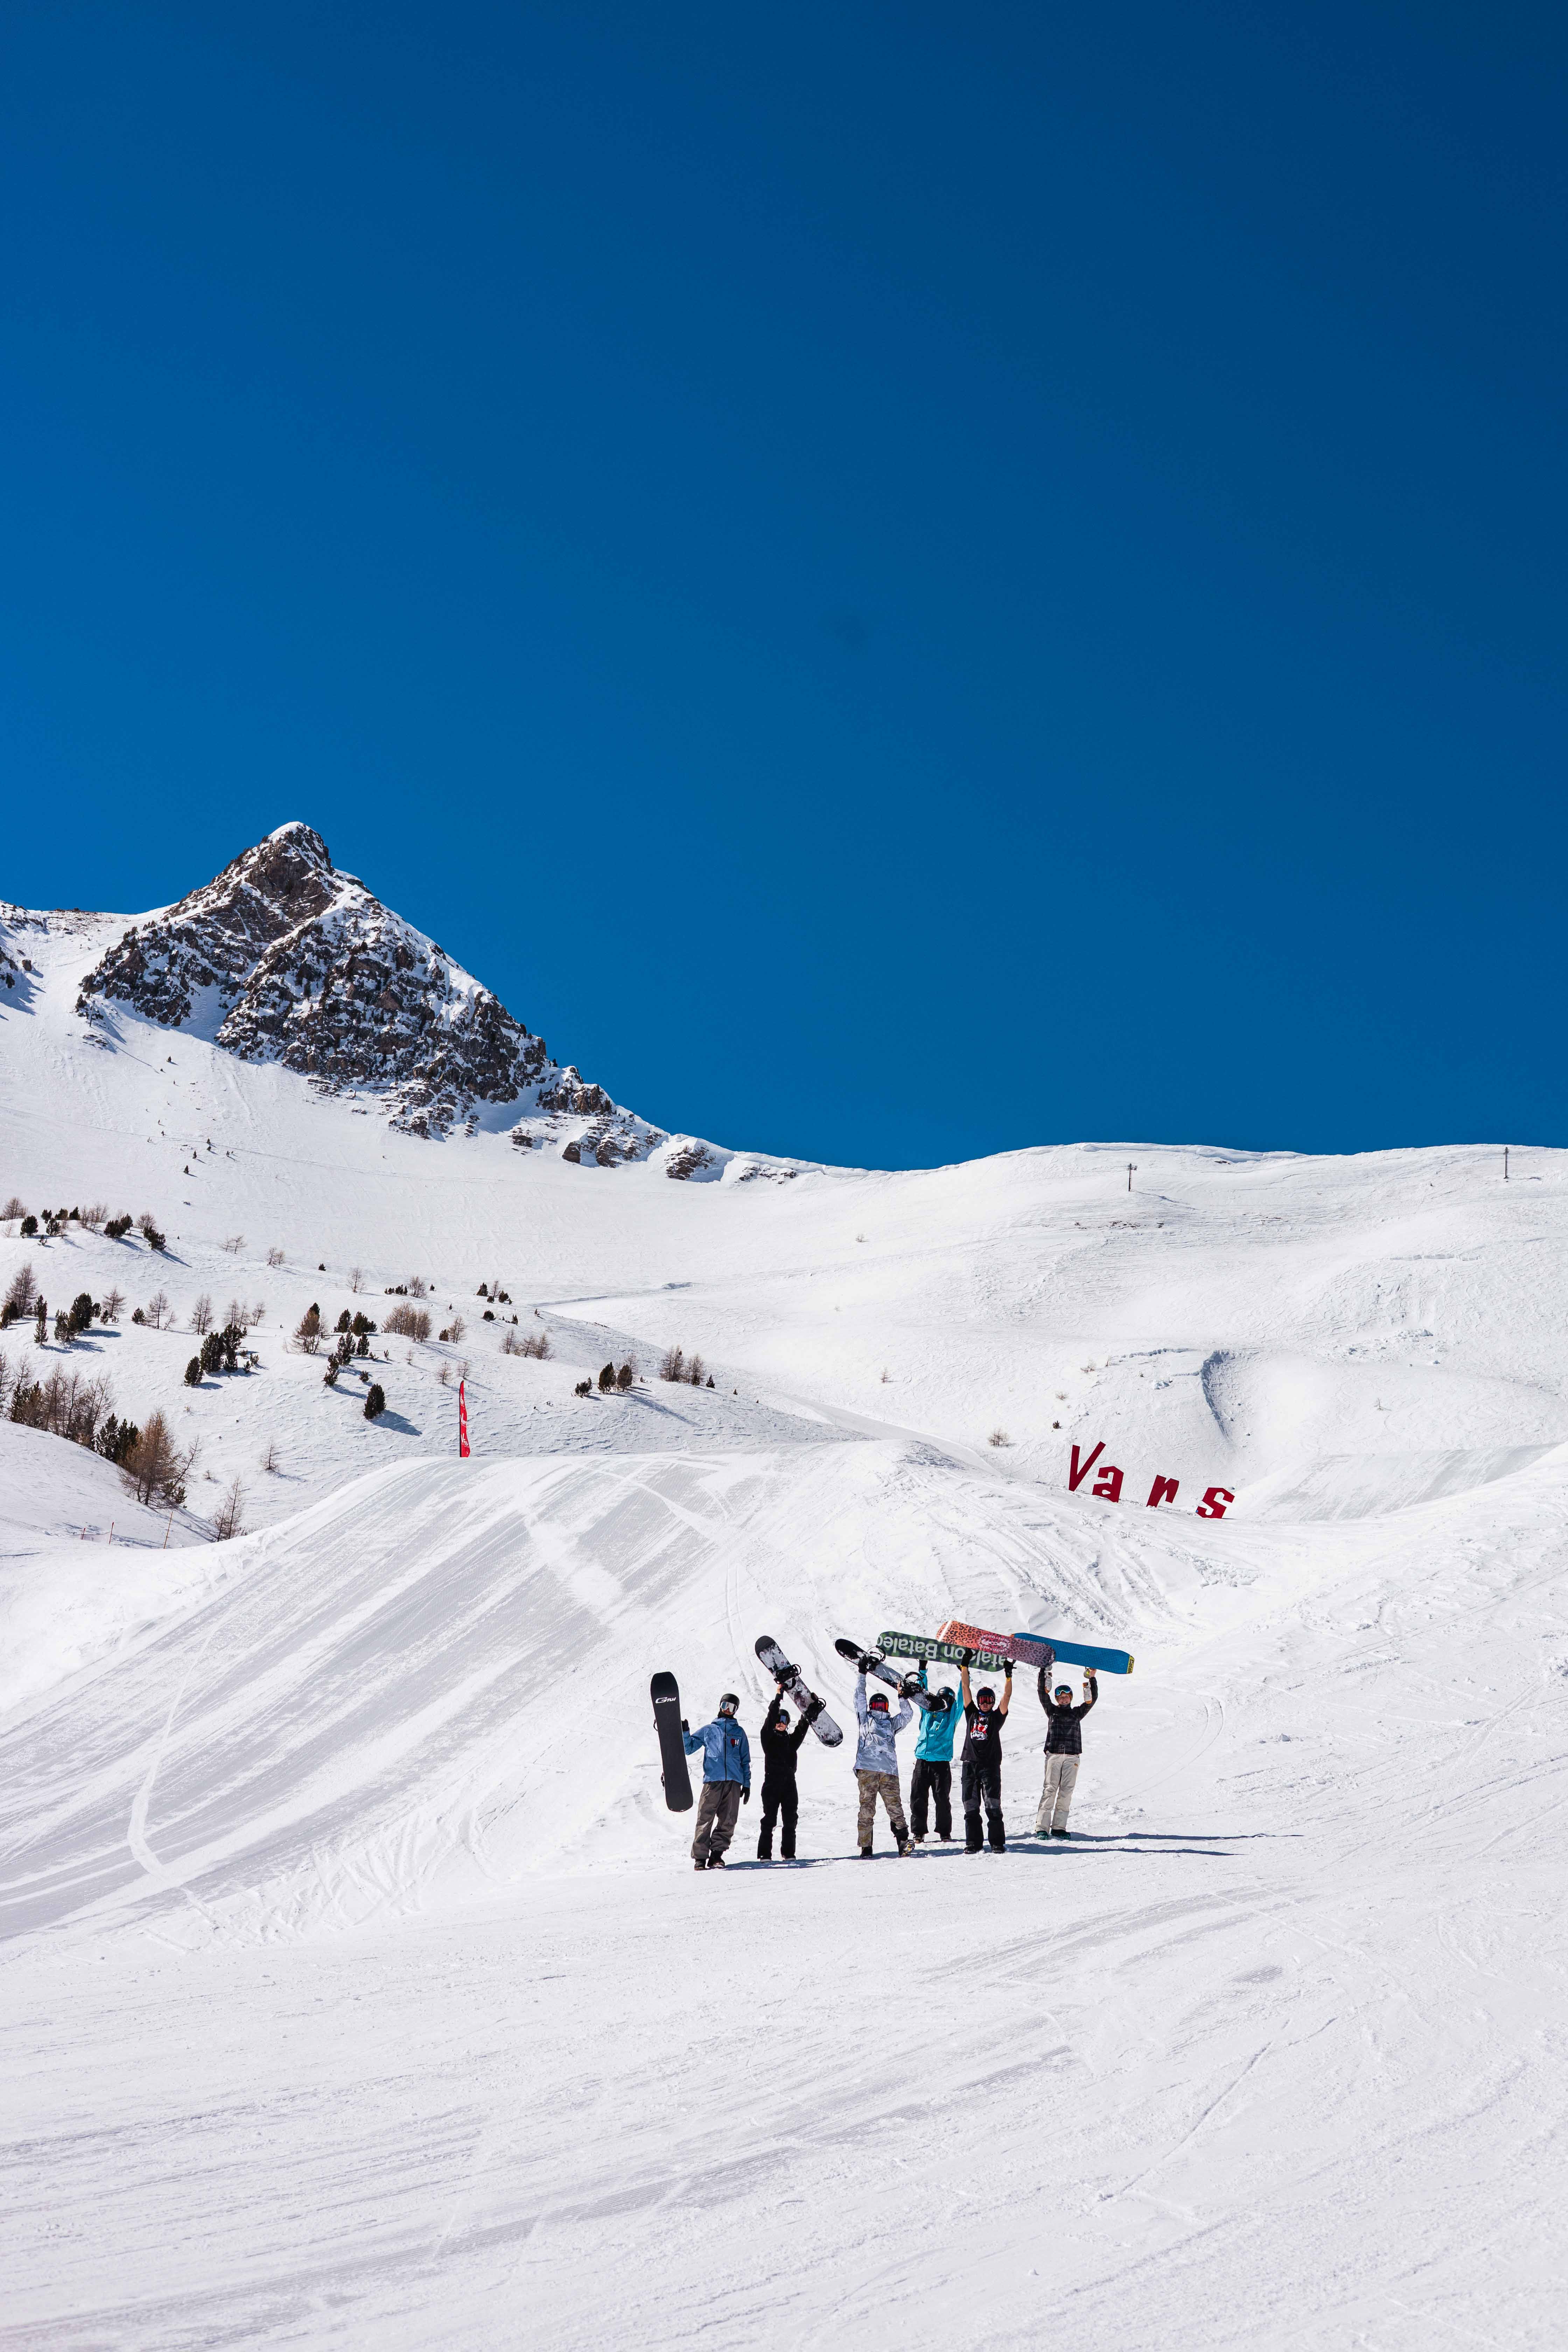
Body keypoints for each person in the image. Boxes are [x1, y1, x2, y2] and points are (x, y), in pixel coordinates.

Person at [682, 1693, 751, 1869]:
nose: (728, 1710)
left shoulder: (739, 1733)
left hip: (734, 1783)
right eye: (725, 1706)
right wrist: (685, 1733)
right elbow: (689, 1749)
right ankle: (700, 1858)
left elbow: (745, 1760)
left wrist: (747, 1784)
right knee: (705, 1818)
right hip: (713, 1782)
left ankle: (716, 1856)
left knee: (729, 1820)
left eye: (732, 1708)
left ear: (736, 1711)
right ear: (720, 1706)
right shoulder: (709, 1730)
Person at [757, 1681, 822, 1861]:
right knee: (769, 1820)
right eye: (779, 1720)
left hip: (789, 1785)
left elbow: (802, 1727)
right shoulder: (768, 1739)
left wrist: (811, 1709)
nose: (780, 1723)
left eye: (784, 1721)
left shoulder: (791, 1742)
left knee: (790, 1820)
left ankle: (788, 1853)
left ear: (787, 1724)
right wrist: (778, 1697)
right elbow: (770, 1718)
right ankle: (764, 1854)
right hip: (772, 1784)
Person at [853, 1664, 913, 1856]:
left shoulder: (891, 1723)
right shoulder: (865, 1719)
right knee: (867, 1809)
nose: (880, 1708)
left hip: (889, 1772)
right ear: (872, 1707)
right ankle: (866, 1848)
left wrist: (902, 1697)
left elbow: (908, 1715)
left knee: (895, 1808)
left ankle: (903, 1842)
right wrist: (862, 1675)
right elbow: (859, 1697)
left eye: (883, 1706)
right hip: (868, 1769)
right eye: (877, 1706)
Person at [958, 1650, 1013, 1853]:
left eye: (989, 1700)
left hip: (990, 1767)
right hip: (970, 1765)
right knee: (971, 1806)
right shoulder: (971, 1713)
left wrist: (1008, 1676)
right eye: (983, 1700)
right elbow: (965, 1688)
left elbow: (1007, 1697)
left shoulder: (997, 1718)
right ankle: (973, 1843)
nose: (986, 1703)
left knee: (993, 1806)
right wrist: (965, 1667)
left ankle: (997, 1842)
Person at [1035, 1668, 1098, 1837]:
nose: (1064, 1699)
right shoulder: (1052, 1711)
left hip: (1072, 1756)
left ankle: (1059, 1828)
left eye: (1066, 1696)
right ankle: (1042, 1828)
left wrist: (1092, 1679)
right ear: (1057, 1699)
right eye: (1060, 1697)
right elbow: (1042, 1694)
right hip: (1054, 1755)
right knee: (1050, 1790)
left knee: (1066, 1792)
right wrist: (1043, 1671)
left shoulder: (1077, 1713)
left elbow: (1092, 1700)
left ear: (1071, 1698)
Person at [909, 1659, 962, 1842]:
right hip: (922, 1762)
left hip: (941, 1764)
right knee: (918, 1797)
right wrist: (922, 1670)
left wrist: (964, 1673)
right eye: (942, 1699)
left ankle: (945, 1832)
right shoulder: (928, 1711)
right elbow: (921, 1694)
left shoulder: (952, 1717)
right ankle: (918, 1832)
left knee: (942, 1799)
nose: (944, 1702)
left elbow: (963, 1699)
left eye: (948, 1699)